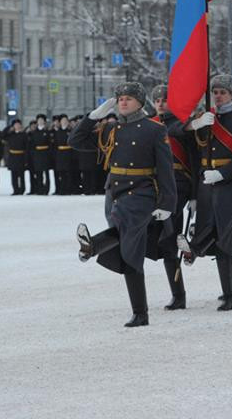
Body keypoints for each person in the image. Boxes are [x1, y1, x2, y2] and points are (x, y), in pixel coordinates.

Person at [71, 82, 176, 327]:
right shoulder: (111, 129)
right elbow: (76, 140)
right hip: (115, 191)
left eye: (129, 98)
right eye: (120, 98)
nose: (123, 102)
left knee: (128, 240)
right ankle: (140, 313)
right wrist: (92, 117)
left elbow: (165, 169)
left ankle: (94, 245)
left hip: (141, 191)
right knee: (129, 246)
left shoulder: (154, 129)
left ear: (140, 102)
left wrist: (167, 203)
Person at [175, 74, 232, 312]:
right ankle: (199, 249)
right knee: (208, 225)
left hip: (231, 181)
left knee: (224, 231)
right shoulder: (205, 118)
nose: (218, 96)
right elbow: (175, 131)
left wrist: (223, 174)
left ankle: (227, 292)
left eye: (223, 92)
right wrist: (194, 124)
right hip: (205, 179)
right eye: (215, 92)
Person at [149, 84, 197, 311]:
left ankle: (178, 295)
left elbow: (195, 161)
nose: (160, 103)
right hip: (153, 186)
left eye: (164, 100)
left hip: (178, 184)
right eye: (157, 100)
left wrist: (196, 194)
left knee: (170, 237)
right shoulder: (148, 125)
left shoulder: (184, 125)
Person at [1, 119, 28, 195]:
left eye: (18, 124)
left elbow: (26, 147)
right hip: (13, 156)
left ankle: (22, 189)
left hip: (21, 156)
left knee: (21, 175)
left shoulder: (24, 135)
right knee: (14, 175)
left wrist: (26, 159)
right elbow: (2, 135)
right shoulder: (11, 135)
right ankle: (15, 189)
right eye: (15, 125)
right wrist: (9, 128)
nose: (17, 126)